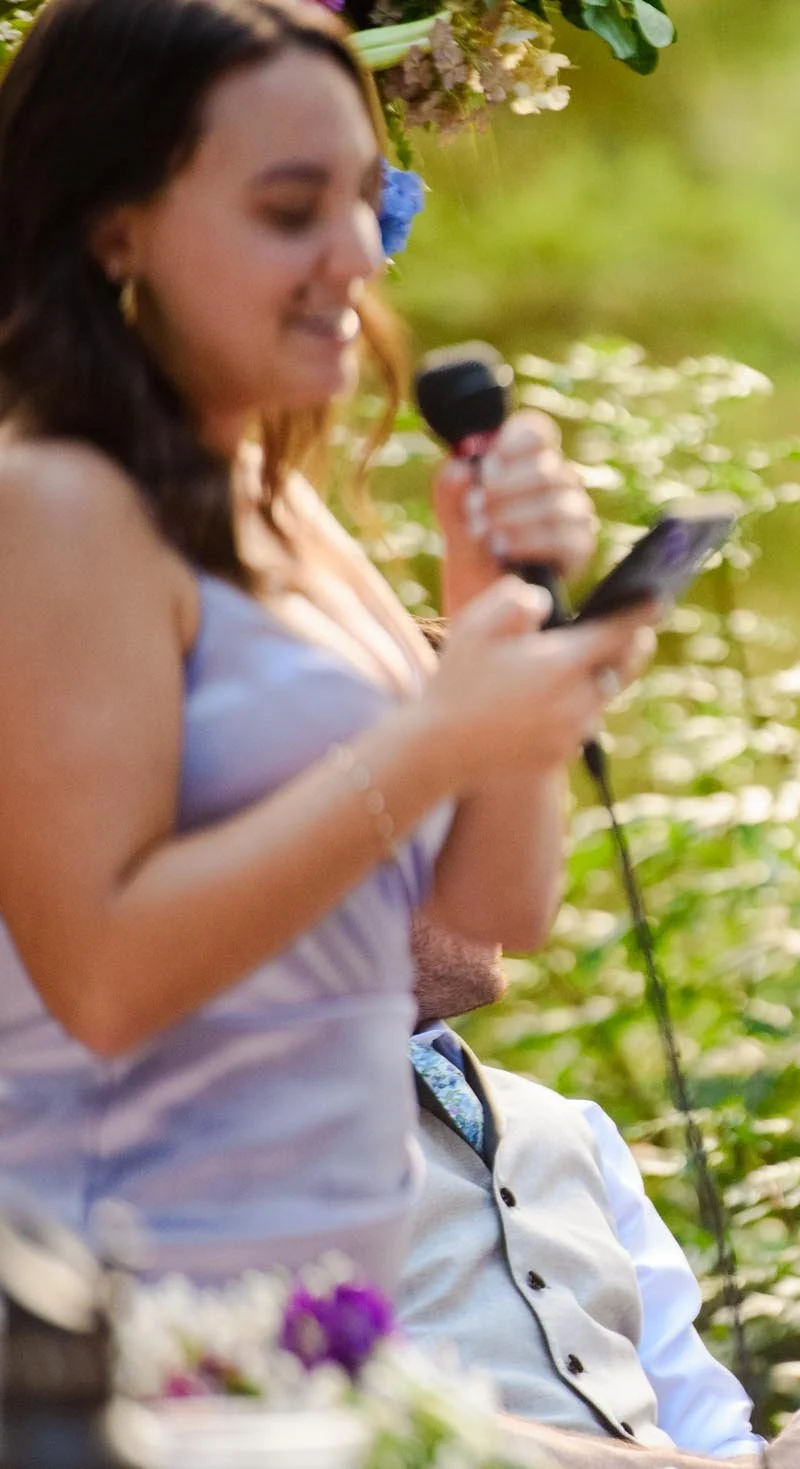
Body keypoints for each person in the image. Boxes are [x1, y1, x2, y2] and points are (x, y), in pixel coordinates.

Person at [0, 0, 657, 1287]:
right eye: (290, 210)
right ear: (112, 223)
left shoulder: (275, 499)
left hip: (326, 1322)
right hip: (112, 1328)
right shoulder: (57, 502)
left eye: (369, 197)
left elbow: (495, 906)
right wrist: (433, 739)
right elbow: (110, 979)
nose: (357, 254)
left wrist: (494, 622)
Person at [402, 925, 800, 1469]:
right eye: (436, 849)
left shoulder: (575, 1125)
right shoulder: (315, 1146)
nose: (490, 890)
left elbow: (694, 1405)